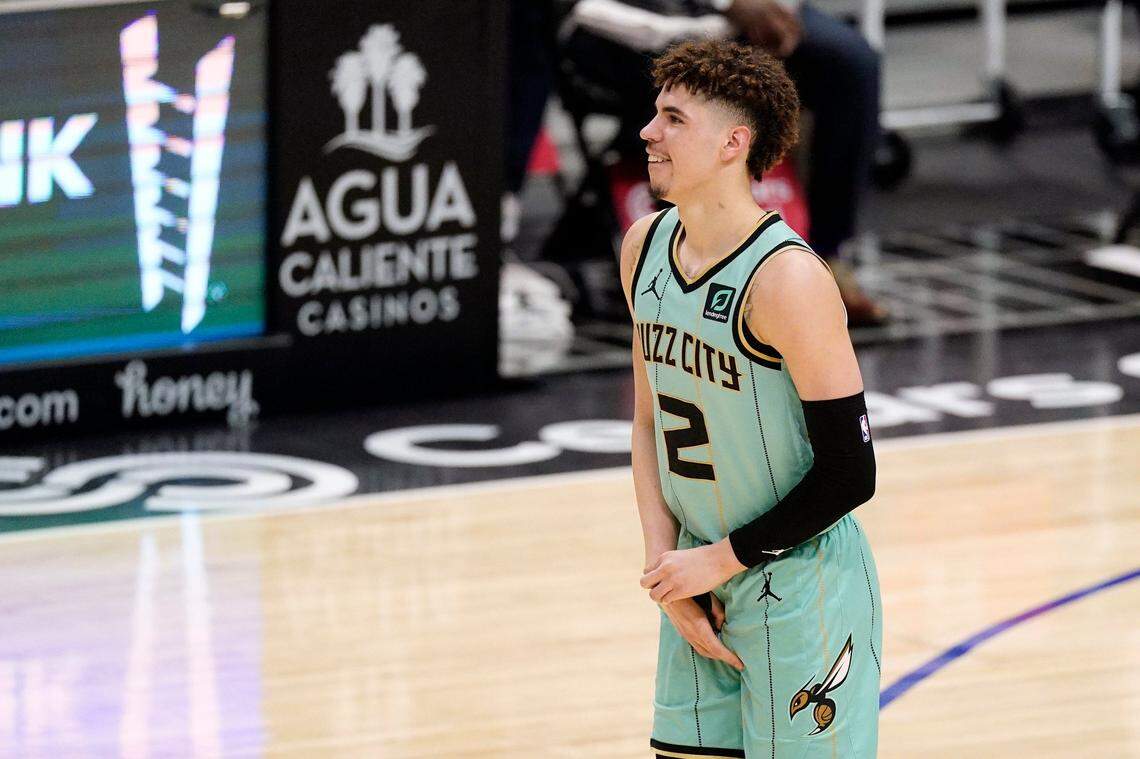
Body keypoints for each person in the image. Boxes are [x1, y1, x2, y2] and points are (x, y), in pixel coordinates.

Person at [621, 40, 882, 757]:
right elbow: (646, 423)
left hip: (799, 590)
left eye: (673, 118)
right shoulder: (643, 246)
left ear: (734, 143)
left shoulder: (788, 280)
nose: (649, 131)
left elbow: (851, 473)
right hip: (698, 583)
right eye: (655, 113)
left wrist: (716, 560)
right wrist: (667, 570)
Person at [567, 0, 889, 324]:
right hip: (627, 16)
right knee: (690, 76)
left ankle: (825, 256)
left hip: (731, 19)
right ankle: (686, 272)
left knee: (851, 64)